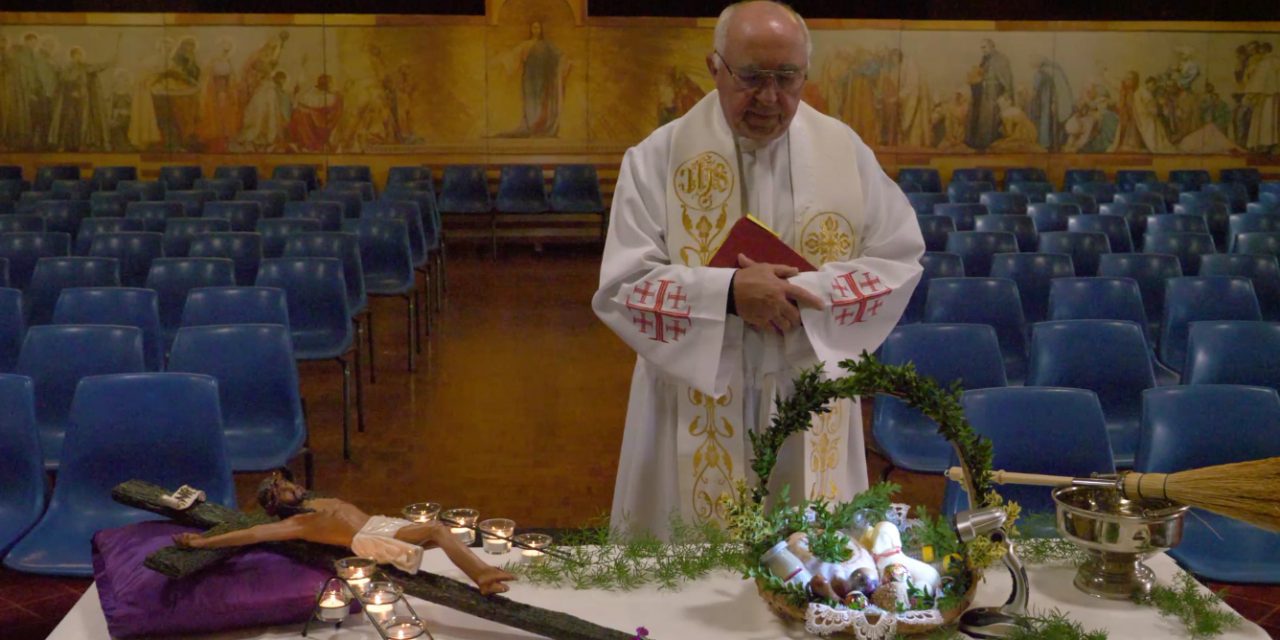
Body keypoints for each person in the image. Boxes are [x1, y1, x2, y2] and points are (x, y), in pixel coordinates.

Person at [593, 0, 924, 539]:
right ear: (715, 67)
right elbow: (620, 287)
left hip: (804, 391)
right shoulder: (657, 158)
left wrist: (808, 292)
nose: (770, 97)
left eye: (787, 77)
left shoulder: (846, 152)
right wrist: (726, 293)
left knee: (808, 567)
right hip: (693, 396)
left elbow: (899, 257)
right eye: (751, 77)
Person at [174, 470, 516, 596]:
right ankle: (482, 574)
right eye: (285, 489)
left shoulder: (318, 501)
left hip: (381, 523)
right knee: (438, 530)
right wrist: (204, 541)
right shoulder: (297, 524)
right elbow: (251, 535)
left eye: (289, 483)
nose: (294, 487)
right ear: (278, 502)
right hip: (368, 538)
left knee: (438, 532)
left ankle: (482, 574)